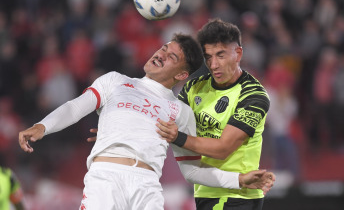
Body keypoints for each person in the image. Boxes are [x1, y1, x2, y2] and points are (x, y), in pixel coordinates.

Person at [19, 33, 274, 210]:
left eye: (172, 57)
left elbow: (193, 172)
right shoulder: (115, 81)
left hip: (147, 185)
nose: (161, 54)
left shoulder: (181, 111)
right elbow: (75, 107)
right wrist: (43, 126)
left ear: (182, 74)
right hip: (106, 178)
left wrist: (238, 180)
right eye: (164, 48)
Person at [157, 19, 271, 210]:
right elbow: (164, 119)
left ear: (238, 53)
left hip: (238, 195)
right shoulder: (194, 88)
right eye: (208, 57)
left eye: (220, 55)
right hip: (205, 191)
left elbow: (223, 148)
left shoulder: (253, 95)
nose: (214, 64)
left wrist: (178, 137)